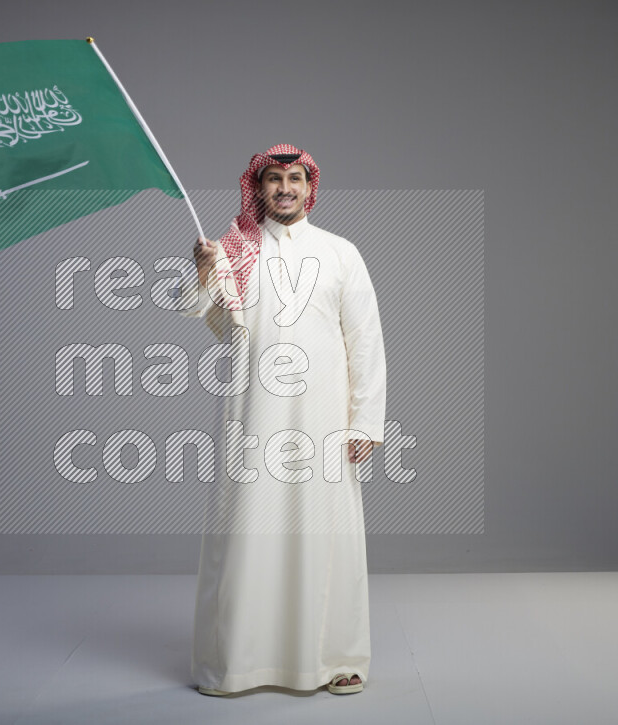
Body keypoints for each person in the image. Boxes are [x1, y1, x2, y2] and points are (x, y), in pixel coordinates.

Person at [175, 143, 386, 696]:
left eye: (294, 178)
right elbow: (220, 324)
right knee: (245, 532)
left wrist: (365, 421)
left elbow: (365, 340)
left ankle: (337, 657)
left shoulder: (342, 253)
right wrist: (204, 272)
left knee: (328, 535)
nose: (284, 188)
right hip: (253, 416)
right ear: (258, 187)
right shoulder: (232, 250)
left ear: (310, 187)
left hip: (324, 420)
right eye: (274, 179)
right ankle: (238, 663)